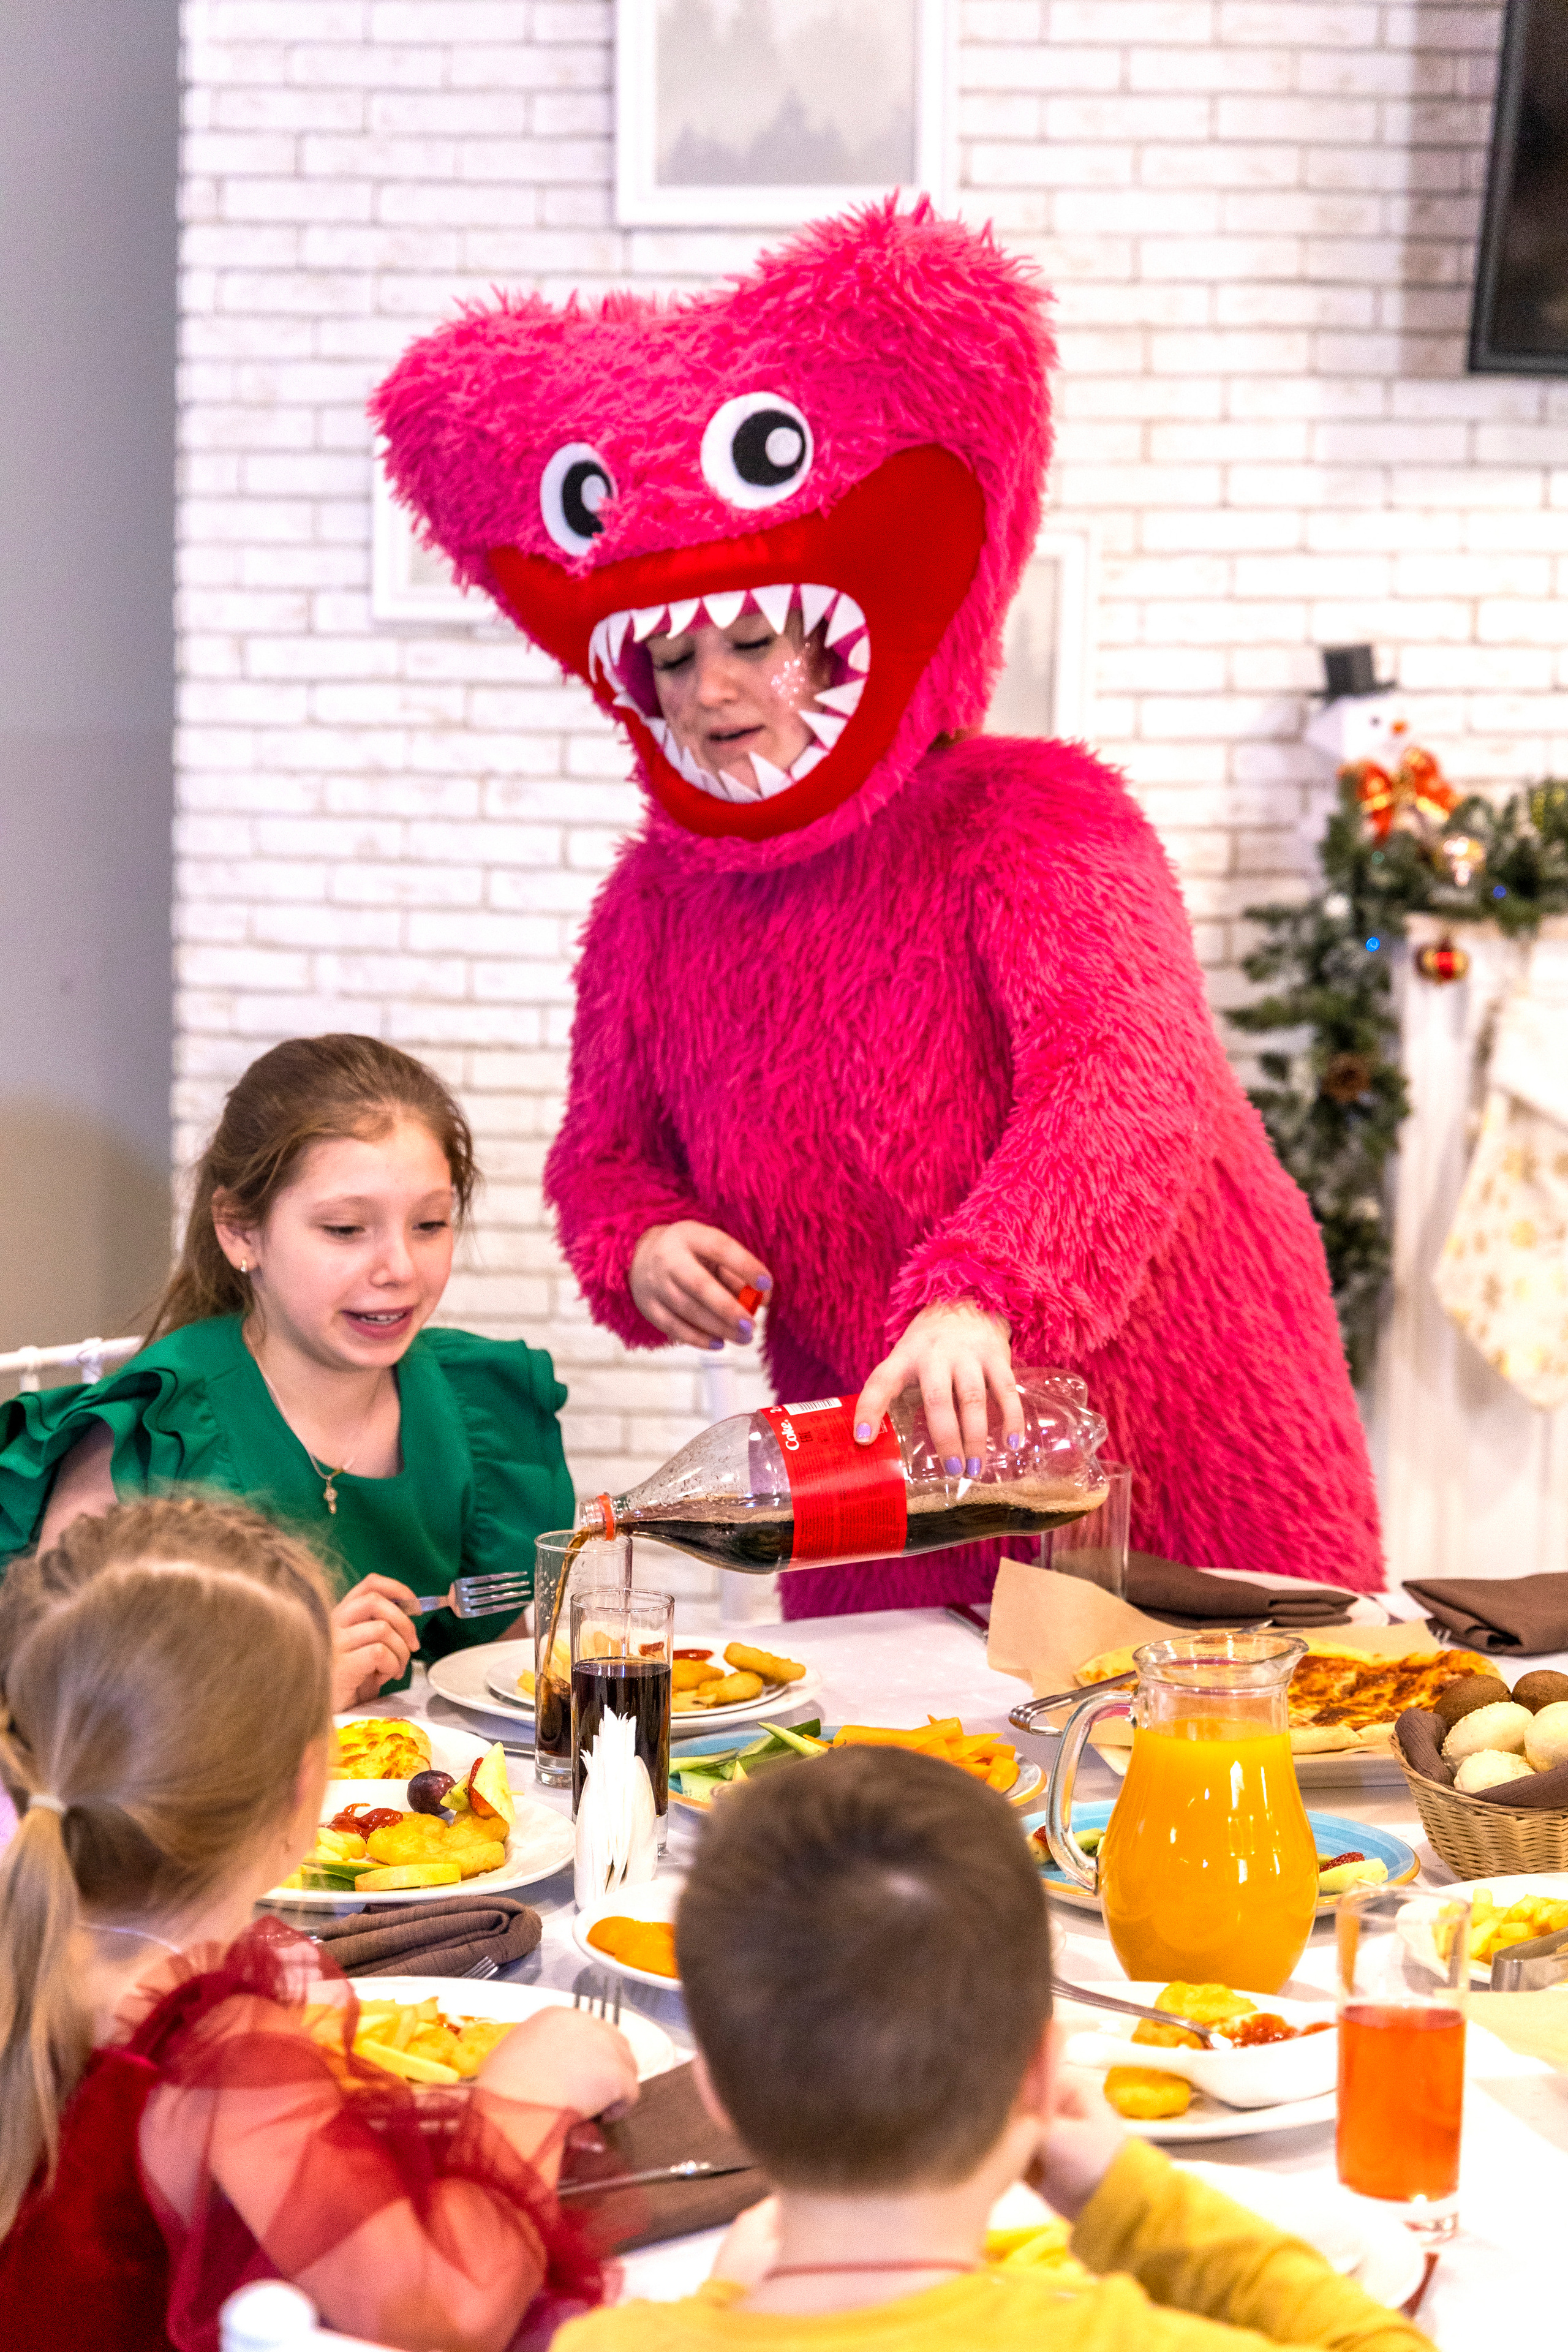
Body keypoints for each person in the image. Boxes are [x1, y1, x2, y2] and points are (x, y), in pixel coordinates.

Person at [373, 197, 1383, 1618]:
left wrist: (991, 1288)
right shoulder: (647, 915)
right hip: (882, 1492)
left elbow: (1125, 1087)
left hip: (1179, 1451)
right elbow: (606, 1159)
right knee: (899, 1808)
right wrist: (646, 1243)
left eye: (750, 641)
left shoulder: (1033, 817)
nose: (711, 691)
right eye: (671, 657)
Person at [0, 1494, 636, 2352]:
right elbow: (448, 2311)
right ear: (309, 1787)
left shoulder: (31, 1952)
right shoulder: (215, 2052)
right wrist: (526, 2095)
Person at [554, 1747, 1432, 2352]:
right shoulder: (1121, 2338)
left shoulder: (611, 2341)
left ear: (712, 2088)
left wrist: (718, 2305)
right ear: (1045, 2079)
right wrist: (1130, 2202)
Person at [0, 1034, 575, 1707]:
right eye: (343, 1229)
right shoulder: (155, 1432)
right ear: (241, 1232)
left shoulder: (476, 1407)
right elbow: (51, 1702)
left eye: (429, 1224)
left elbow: (496, 1678)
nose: (400, 1269)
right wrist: (289, 1691)